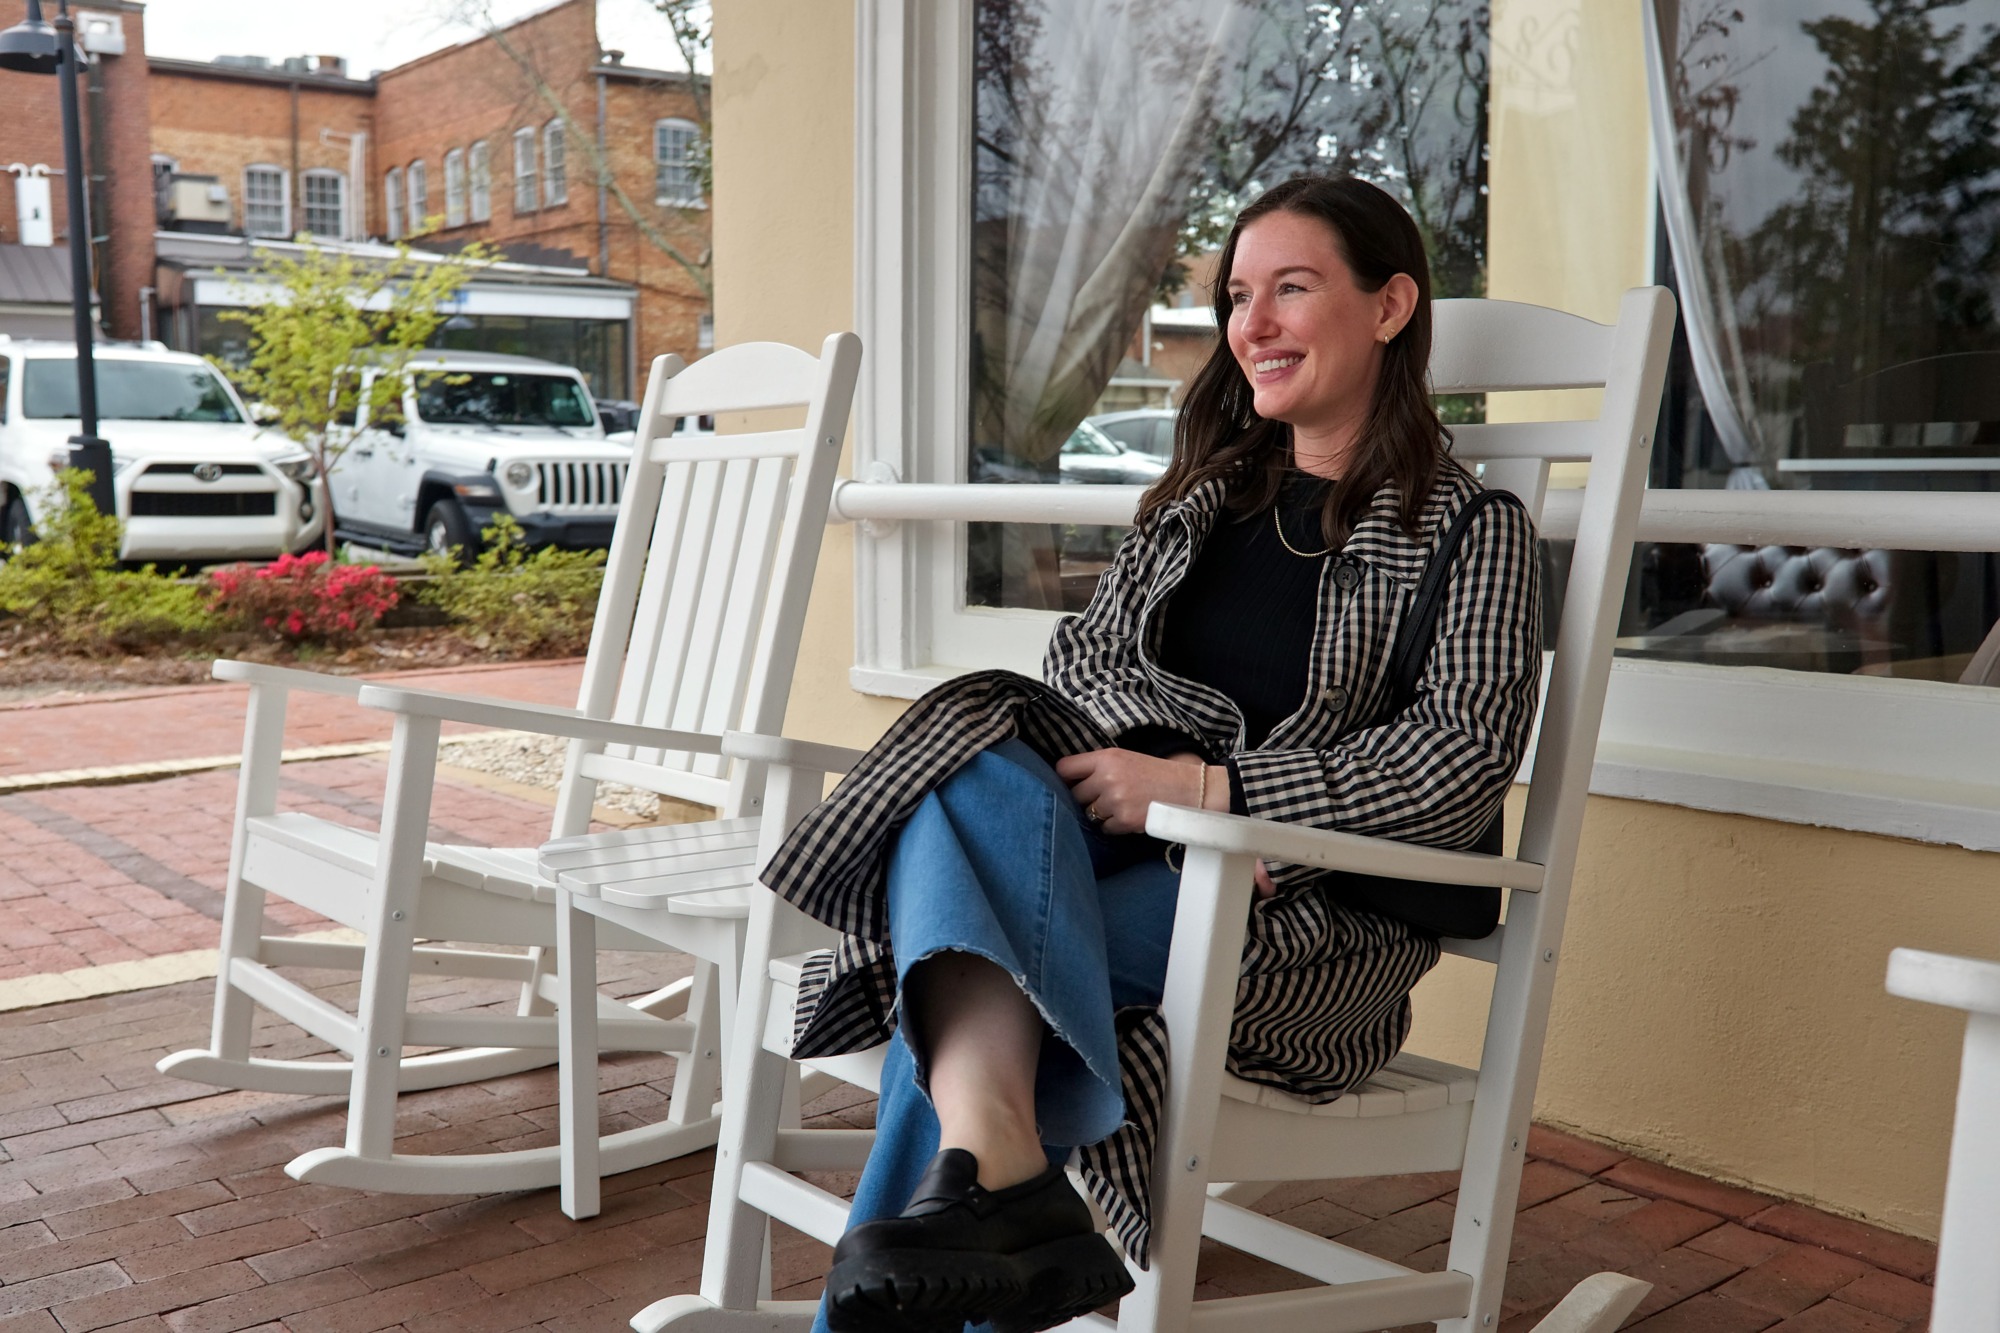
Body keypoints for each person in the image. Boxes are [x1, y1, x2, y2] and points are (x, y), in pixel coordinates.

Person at [800, 174, 1544, 1333]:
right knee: (974, 743)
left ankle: (990, 1194)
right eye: (1239, 294)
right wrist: (1139, 784)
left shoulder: (1467, 530)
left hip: (1295, 920)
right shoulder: (1202, 499)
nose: (1250, 323)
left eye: (1289, 289)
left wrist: (1219, 796)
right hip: (1108, 850)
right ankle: (1006, 1179)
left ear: (1389, 304)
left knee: (968, 970)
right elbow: (1079, 658)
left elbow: (1455, 761)